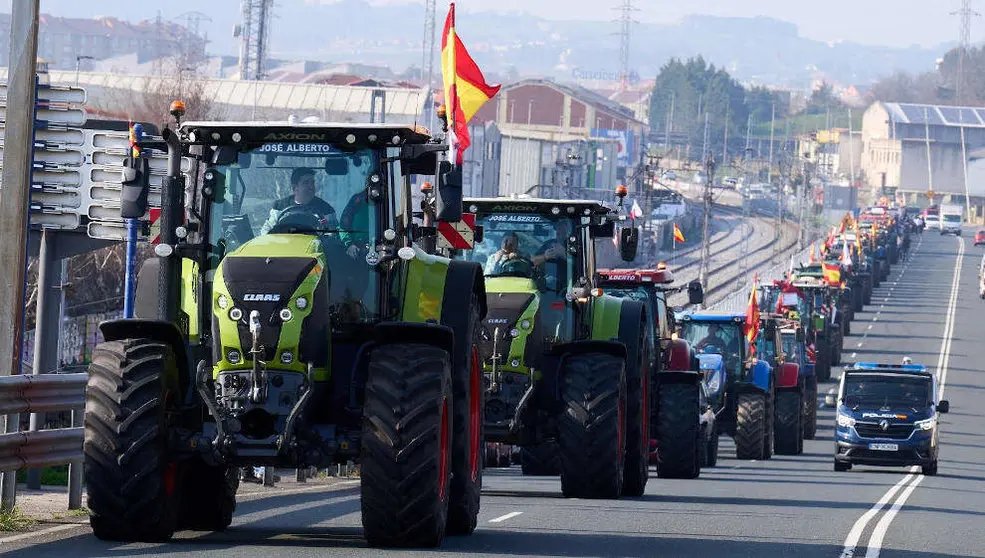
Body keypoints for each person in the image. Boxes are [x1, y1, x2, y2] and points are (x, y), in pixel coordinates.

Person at [260, 168, 338, 235]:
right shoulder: (279, 206)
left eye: (312, 182)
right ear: (295, 188)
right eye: (306, 183)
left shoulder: (326, 210)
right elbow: (267, 230)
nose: (311, 187)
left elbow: (332, 235)